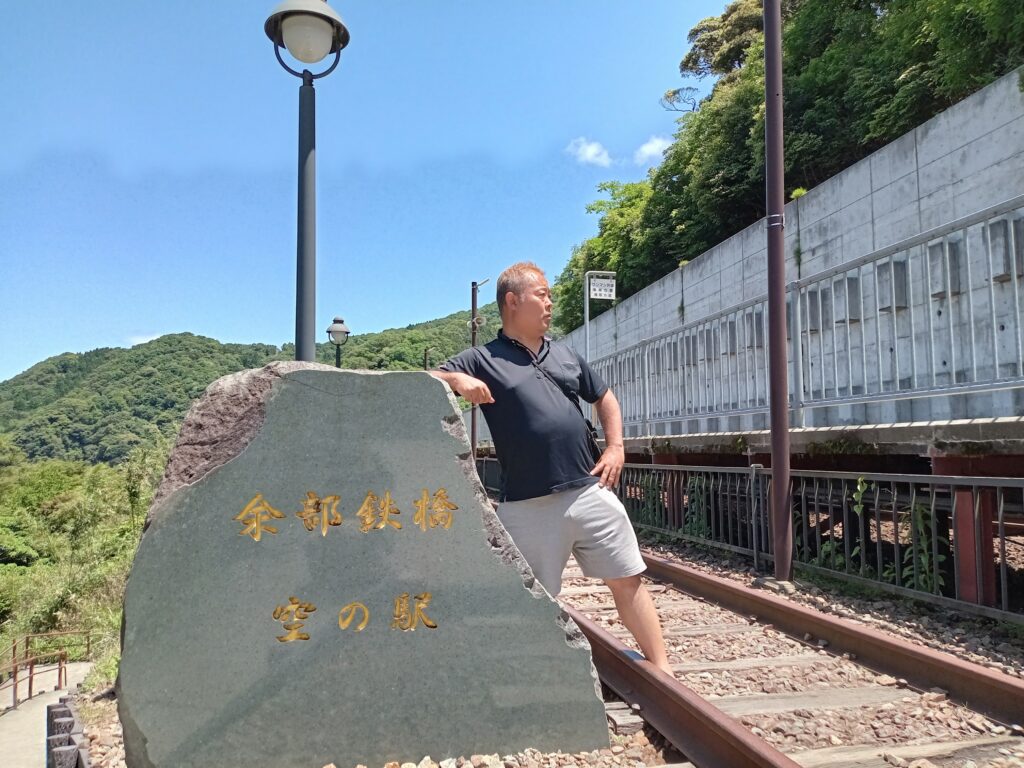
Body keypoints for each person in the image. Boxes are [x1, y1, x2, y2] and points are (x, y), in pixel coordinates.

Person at [431, 261, 672, 675]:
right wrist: (456, 381)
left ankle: (663, 670)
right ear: (512, 301)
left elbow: (605, 397)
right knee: (530, 597)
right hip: (528, 504)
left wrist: (616, 447)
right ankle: (529, 679)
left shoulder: (564, 354)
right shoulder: (482, 358)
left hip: (590, 488)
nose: (550, 303)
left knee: (628, 578)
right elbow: (425, 377)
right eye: (541, 294)